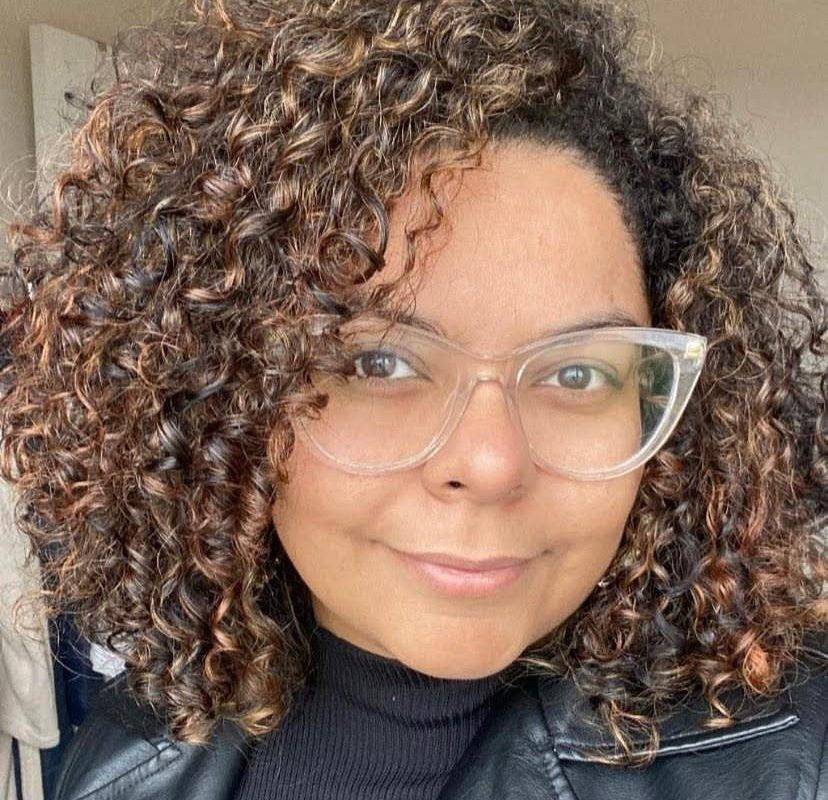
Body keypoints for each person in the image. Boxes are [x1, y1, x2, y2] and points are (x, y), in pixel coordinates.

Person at [0, 1, 824, 798]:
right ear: (224, 397)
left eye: (579, 374)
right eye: (379, 362)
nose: (490, 464)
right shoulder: (126, 759)